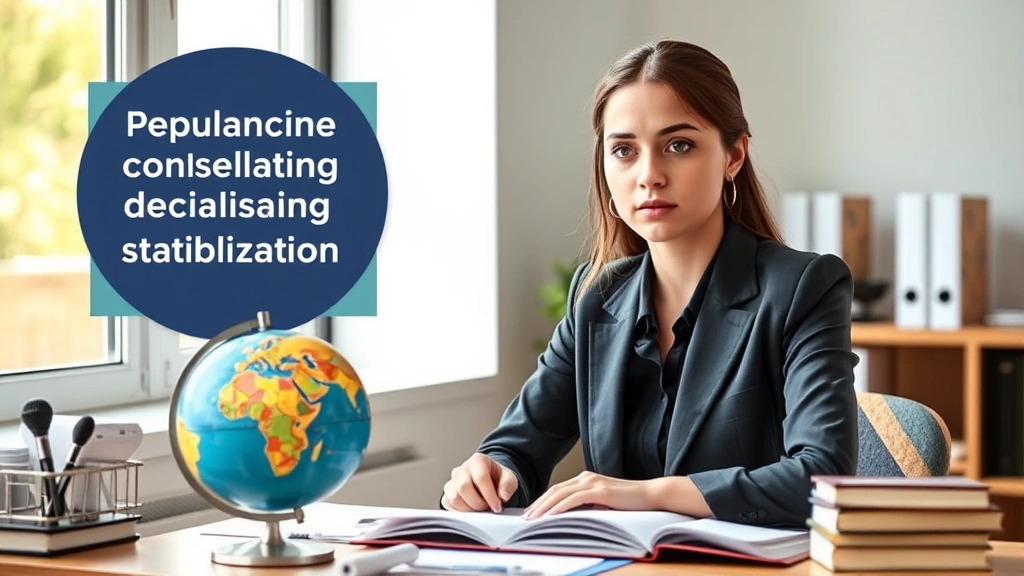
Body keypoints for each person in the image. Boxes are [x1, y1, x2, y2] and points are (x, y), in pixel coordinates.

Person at [440, 40, 859, 529]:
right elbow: (517, 446)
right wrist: (489, 473)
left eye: (678, 145)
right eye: (623, 150)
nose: (649, 176)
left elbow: (823, 476)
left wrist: (649, 495)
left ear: (734, 155)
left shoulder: (803, 288)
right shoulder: (595, 296)